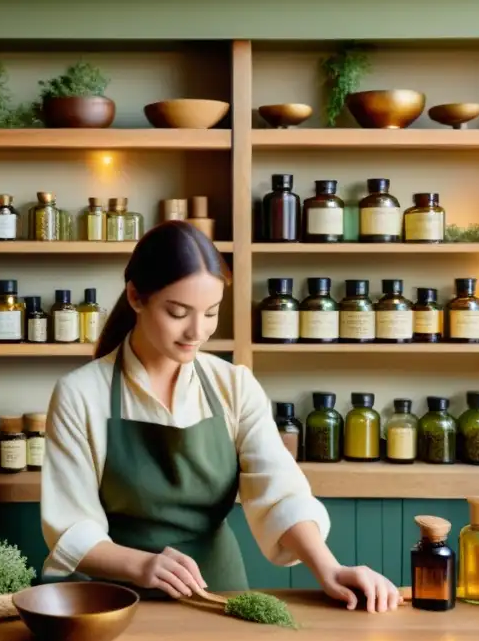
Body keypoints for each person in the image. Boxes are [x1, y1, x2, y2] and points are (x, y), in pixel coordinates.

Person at [40, 221, 399, 612]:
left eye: (211, 313)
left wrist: (329, 568)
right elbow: (71, 525)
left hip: (217, 594)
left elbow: (279, 491)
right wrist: (140, 564)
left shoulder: (233, 385)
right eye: (178, 312)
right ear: (135, 297)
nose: (198, 331)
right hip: (113, 601)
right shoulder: (80, 394)